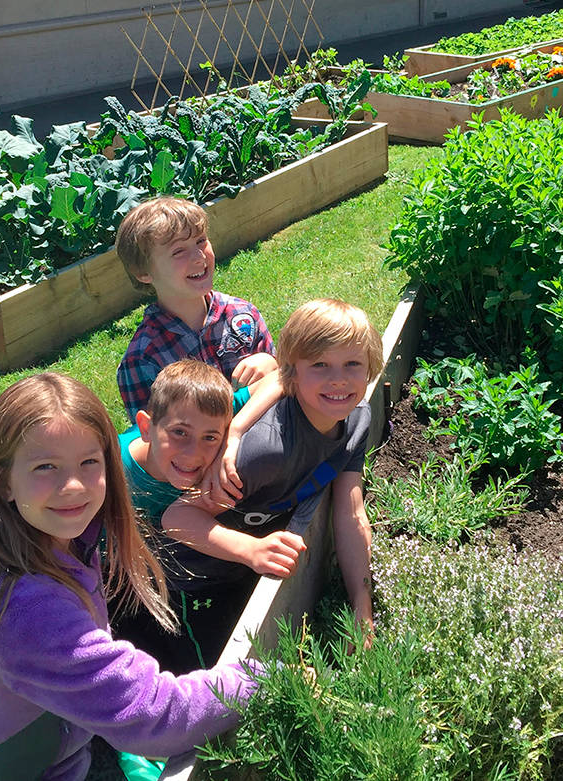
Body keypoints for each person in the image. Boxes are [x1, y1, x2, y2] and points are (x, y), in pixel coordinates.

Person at [0, 372, 256, 781]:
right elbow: (154, 717)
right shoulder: (25, 609)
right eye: (46, 466)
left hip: (53, 751)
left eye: (88, 462)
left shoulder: (56, 536)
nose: (73, 485)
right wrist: (259, 676)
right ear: (1, 479)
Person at [155, 299, 385, 670]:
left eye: (352, 364)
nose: (338, 379)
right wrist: (251, 550)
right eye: (320, 365)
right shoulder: (265, 450)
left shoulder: (356, 421)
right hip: (186, 578)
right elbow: (178, 518)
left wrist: (361, 602)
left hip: (239, 569)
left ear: (371, 366)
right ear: (292, 373)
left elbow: (350, 513)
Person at [116, 359, 307, 673]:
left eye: (210, 438)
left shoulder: (210, 409)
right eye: (180, 433)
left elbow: (281, 376)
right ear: (146, 427)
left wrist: (234, 435)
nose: (194, 454)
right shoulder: (115, 473)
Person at [115, 196, 277, 421]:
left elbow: (286, 387)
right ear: (143, 272)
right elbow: (153, 443)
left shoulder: (243, 316)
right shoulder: (143, 360)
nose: (199, 256)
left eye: (201, 240)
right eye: (178, 251)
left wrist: (271, 365)